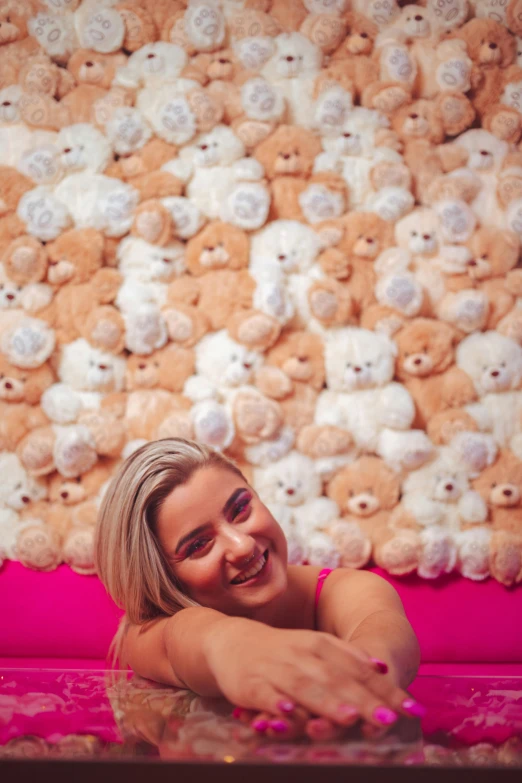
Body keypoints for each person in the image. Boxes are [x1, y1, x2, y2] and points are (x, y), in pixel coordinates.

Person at [95, 438, 424, 741]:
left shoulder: (349, 587)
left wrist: (358, 685)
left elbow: (384, 630)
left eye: (240, 509)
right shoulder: (147, 634)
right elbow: (188, 635)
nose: (242, 545)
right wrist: (235, 648)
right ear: (162, 579)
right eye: (198, 545)